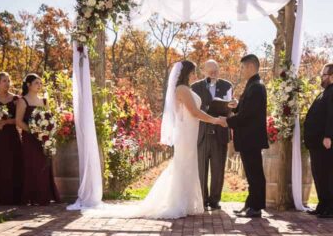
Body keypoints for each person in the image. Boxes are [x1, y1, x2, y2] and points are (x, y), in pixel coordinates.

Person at [83, 60, 226, 219]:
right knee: (183, 166)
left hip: (190, 133)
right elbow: (194, 112)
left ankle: (184, 203)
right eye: (193, 72)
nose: (195, 75)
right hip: (186, 133)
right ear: (186, 74)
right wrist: (216, 120)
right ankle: (177, 203)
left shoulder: (185, 89)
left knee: (186, 166)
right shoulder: (183, 89)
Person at [303, 63, 333, 218]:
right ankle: (323, 205)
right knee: (319, 174)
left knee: (326, 173)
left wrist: (328, 136)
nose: (321, 78)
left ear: (332, 76)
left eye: (323, 75)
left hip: (327, 142)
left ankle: (331, 207)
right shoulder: (328, 91)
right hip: (317, 142)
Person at [226, 54, 268, 218]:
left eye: (243, 67)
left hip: (251, 137)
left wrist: (228, 121)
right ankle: (251, 204)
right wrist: (237, 107)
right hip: (248, 137)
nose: (241, 70)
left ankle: (256, 207)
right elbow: (247, 109)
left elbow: (249, 115)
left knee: (255, 172)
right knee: (251, 173)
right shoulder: (252, 85)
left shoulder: (257, 87)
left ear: (250, 67)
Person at [191, 59, 235, 210]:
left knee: (218, 170)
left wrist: (232, 106)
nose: (213, 74)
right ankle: (202, 199)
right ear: (204, 72)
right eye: (210, 72)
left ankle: (215, 200)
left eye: (216, 71)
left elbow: (230, 111)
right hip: (201, 134)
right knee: (201, 169)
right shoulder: (195, 87)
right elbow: (193, 111)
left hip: (220, 134)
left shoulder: (227, 85)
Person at [17, 73, 61, 205]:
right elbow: (19, 121)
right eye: (36, 83)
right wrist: (34, 131)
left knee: (44, 164)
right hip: (30, 138)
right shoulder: (22, 100)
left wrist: (46, 134)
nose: (39, 85)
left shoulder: (44, 101)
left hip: (44, 139)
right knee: (32, 165)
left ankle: (45, 196)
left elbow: (49, 119)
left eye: (40, 83)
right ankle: (33, 197)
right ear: (28, 85)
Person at [0, 72, 23, 205]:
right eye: (4, 81)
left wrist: (7, 122)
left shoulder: (16, 99)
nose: (7, 84)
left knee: (13, 162)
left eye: (8, 81)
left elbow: (19, 119)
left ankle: (14, 196)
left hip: (11, 135)